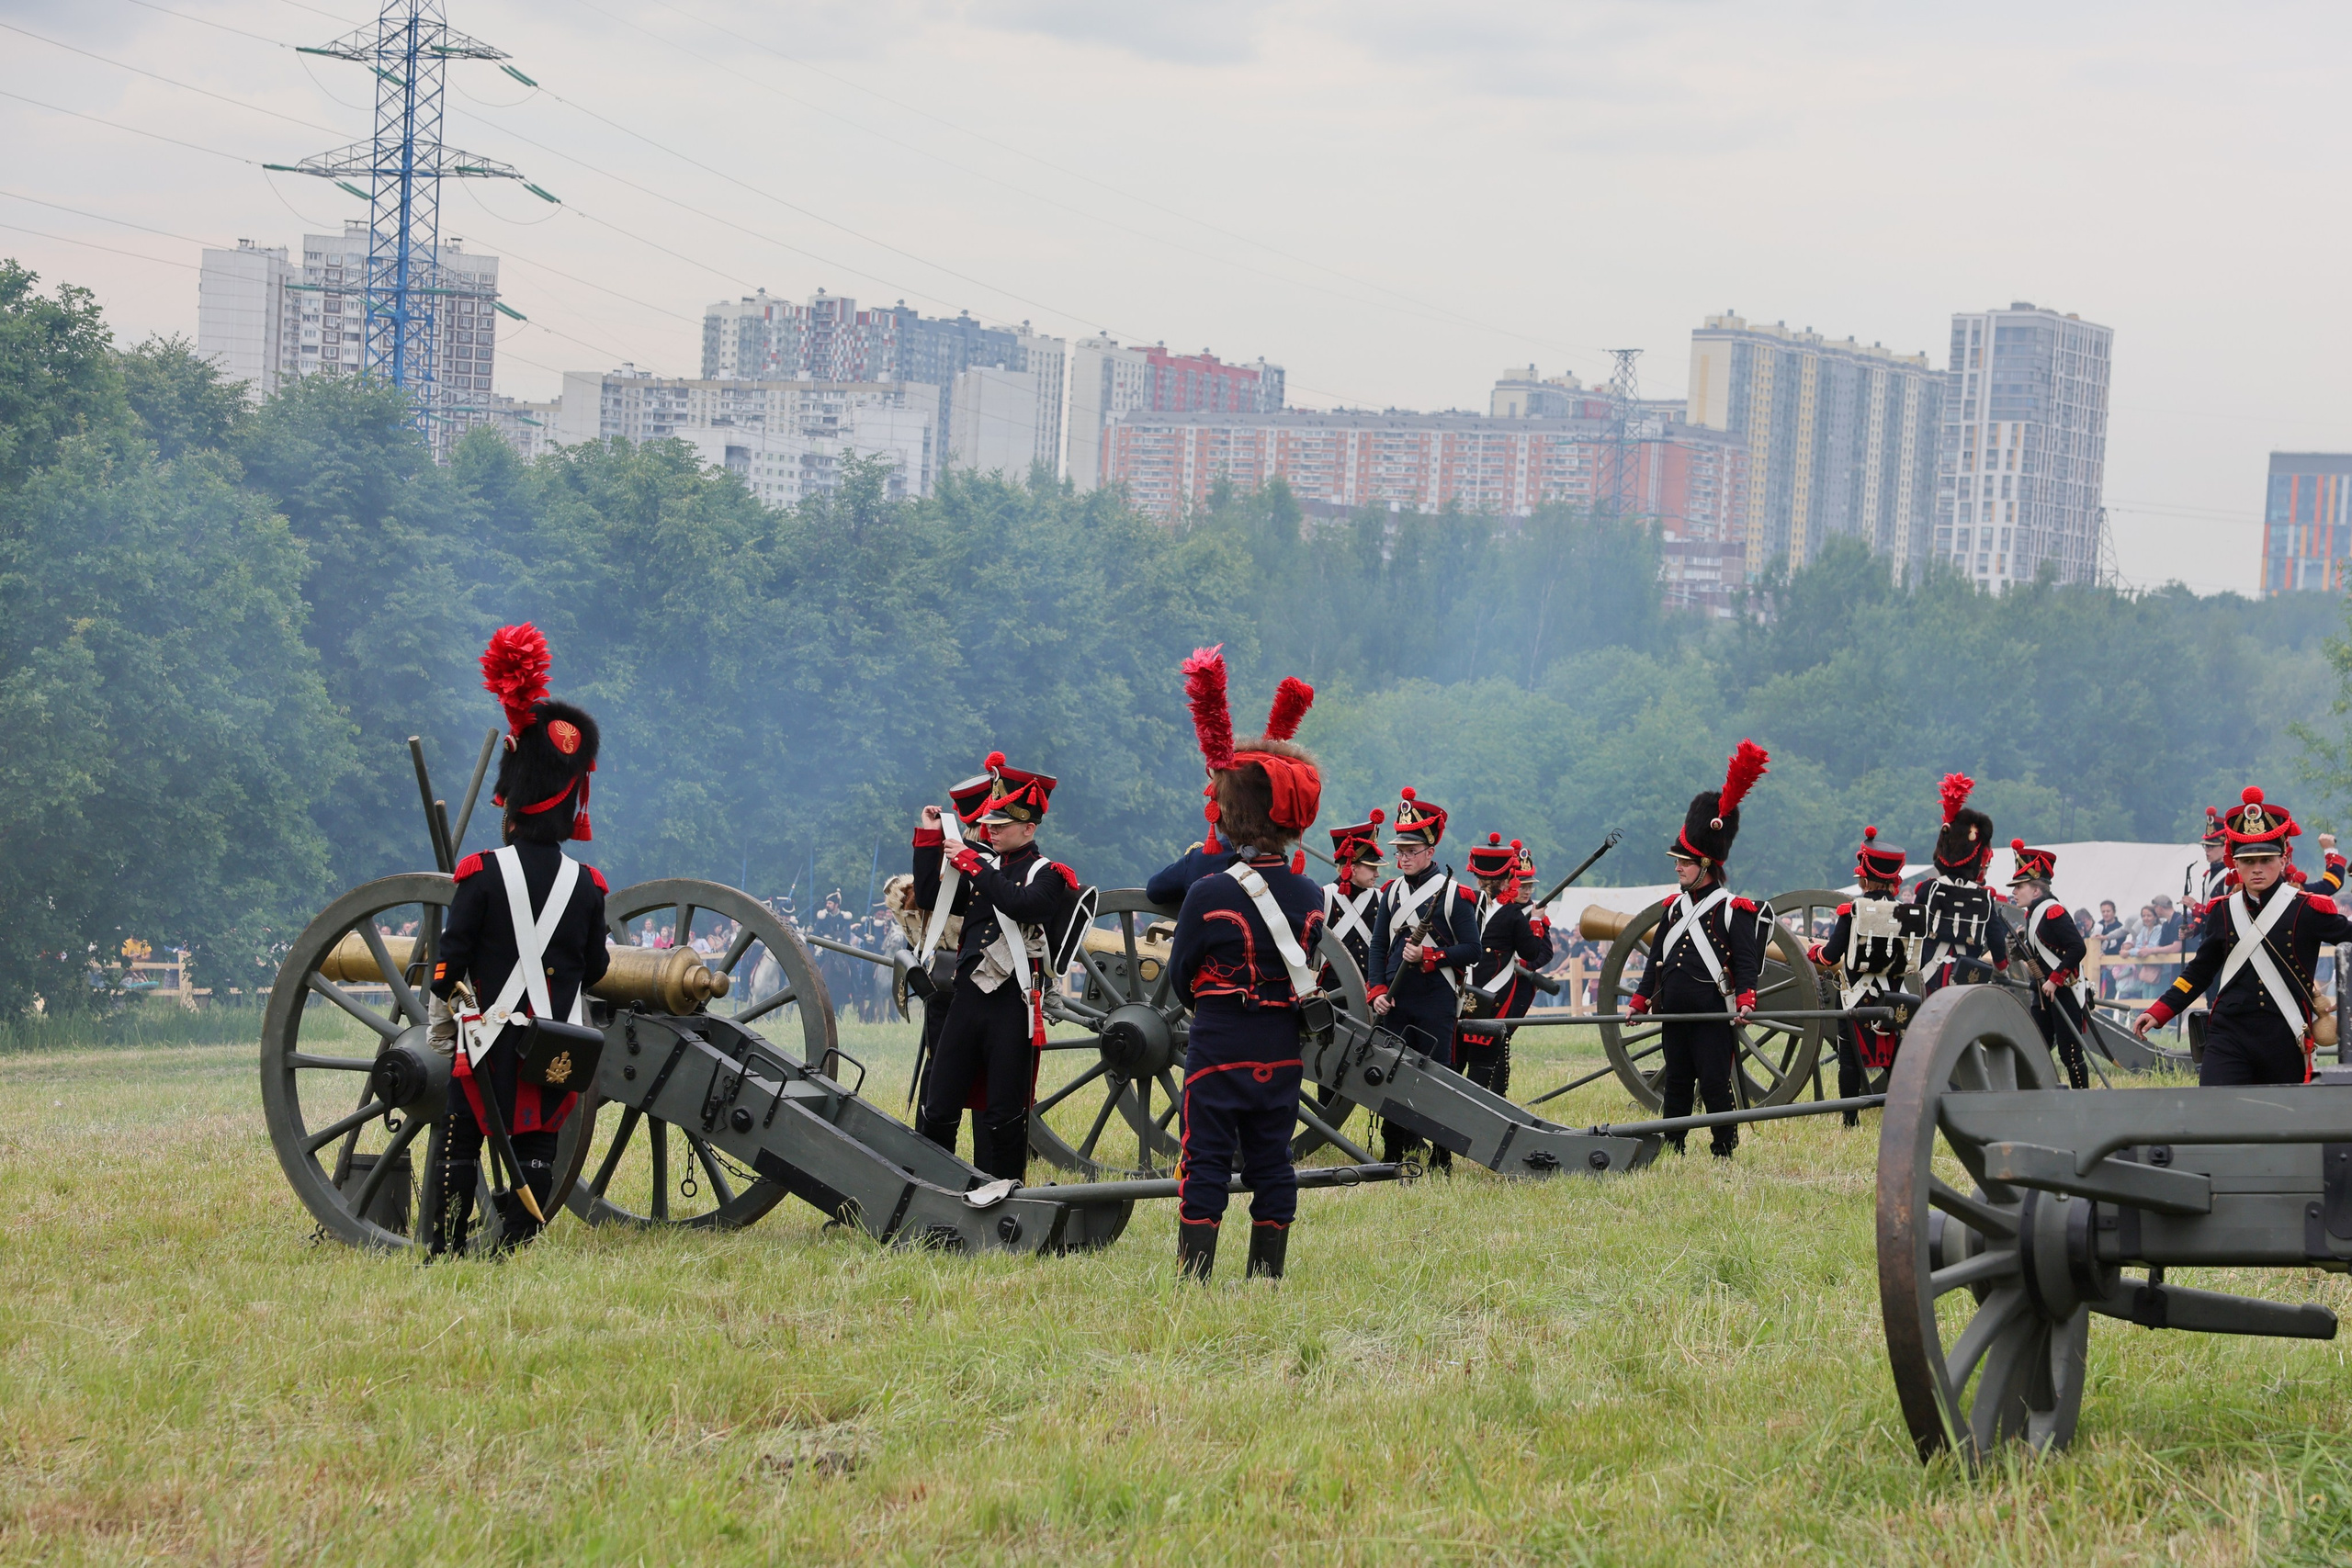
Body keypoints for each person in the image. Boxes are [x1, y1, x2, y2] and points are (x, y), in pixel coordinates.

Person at [427, 624, 611, 1256]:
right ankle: (514, 1242)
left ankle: (447, 1242)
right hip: (550, 1047)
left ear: (512, 806)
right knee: (536, 1147)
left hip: (484, 1042)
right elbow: (595, 966)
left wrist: (446, 1009)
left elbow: (448, 969)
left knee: (462, 1141)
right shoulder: (588, 886)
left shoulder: (479, 872)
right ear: (565, 810)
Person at [1161, 647, 1323, 1281]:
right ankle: (1265, 1277)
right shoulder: (1311, 894)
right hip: (1281, 1049)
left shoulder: (1208, 891)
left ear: (1232, 812)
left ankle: (1194, 1278)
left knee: (1203, 1160)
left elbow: (1181, 976)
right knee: (1272, 1161)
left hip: (1220, 1042)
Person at [910, 752, 1083, 1181]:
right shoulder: (984, 865)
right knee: (940, 1101)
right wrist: (930, 838)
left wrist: (972, 862)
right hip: (967, 999)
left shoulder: (1049, 874)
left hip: (1011, 1005)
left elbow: (1023, 903)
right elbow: (931, 895)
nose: (991, 832)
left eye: (1001, 827)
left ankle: (1004, 1192)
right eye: (990, 825)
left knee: (1004, 1112)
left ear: (1029, 827)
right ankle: (936, 1186)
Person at [2137, 786, 2352, 1086]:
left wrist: (2344, 1001)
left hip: (2285, 1029)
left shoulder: (2308, 908)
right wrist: (2160, 1010)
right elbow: (2199, 972)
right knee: (2216, 1113)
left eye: (2266, 860)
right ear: (2235, 864)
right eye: (2249, 861)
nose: (2258, 868)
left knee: (2283, 1125)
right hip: (2229, 1031)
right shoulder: (2223, 911)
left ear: (2283, 861)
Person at [1628, 741, 1773, 1158]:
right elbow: (1657, 960)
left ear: (1706, 865)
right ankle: (1673, 1146)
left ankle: (1723, 1147)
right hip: (1673, 1009)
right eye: (1677, 862)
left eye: (1684, 863)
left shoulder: (1734, 909)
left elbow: (1745, 961)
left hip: (1712, 1010)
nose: (1677, 868)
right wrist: (1640, 999)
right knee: (1676, 1080)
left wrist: (1746, 999)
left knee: (1713, 1081)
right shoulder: (1673, 909)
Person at [1364, 787, 1482, 1170]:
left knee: (1438, 1078)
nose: (1403, 858)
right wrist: (1377, 989)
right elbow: (1378, 946)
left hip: (1435, 999)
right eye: (1399, 851)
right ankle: (1395, 1149)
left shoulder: (1453, 895)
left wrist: (1432, 956)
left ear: (1430, 852)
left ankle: (1441, 1155)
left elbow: (1473, 949)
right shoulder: (1391, 892)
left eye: (1411, 851)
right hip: (1396, 1001)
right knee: (1394, 1076)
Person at [1807, 826, 1914, 1124]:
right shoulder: (1905, 913)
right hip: (1892, 998)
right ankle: (1904, 1115)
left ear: (1865, 876)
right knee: (1894, 1057)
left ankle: (1850, 1120)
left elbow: (1829, 957)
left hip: (1856, 999)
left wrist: (1812, 953)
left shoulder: (1850, 911)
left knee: (1849, 1059)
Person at [1455, 834, 1554, 1099]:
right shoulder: (1512, 914)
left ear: (1477, 875)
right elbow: (1531, 951)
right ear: (1506, 877)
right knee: (1483, 1064)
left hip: (1462, 994)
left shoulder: (1464, 903)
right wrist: (1534, 923)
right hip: (1496, 996)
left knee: (1455, 1064)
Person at [2007, 840, 2093, 1089]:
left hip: (2063, 990)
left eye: (2019, 886)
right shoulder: (2033, 914)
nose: (2014, 892)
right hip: (2042, 991)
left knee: (2070, 1053)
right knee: (2035, 1047)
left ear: (2036, 890)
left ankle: (2082, 1100)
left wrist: (2055, 979)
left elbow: (2078, 948)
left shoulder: (2053, 911)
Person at [1914, 773, 2007, 993]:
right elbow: (1997, 945)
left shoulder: (1928, 889)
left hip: (1929, 984)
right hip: (1966, 988)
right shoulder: (1984, 897)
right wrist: (2002, 968)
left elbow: (1912, 933)